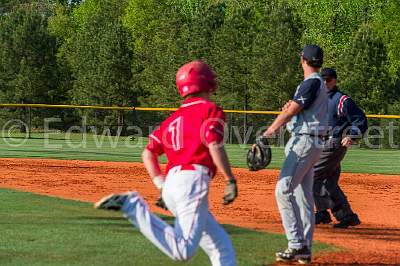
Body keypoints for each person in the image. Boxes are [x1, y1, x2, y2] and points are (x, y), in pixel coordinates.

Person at [94, 60, 238, 266]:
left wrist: (161, 186)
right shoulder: (209, 110)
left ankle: (133, 205)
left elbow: (148, 153)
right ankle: (132, 206)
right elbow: (214, 144)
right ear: (207, 83)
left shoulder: (172, 119)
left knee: (220, 245)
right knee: (183, 250)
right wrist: (229, 179)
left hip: (171, 184)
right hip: (192, 181)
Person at [263, 44, 328, 264]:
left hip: (305, 142)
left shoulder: (311, 82)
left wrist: (270, 131)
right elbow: (296, 110)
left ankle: (296, 244)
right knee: (304, 198)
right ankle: (305, 249)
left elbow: (292, 110)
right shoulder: (317, 83)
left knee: (283, 190)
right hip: (313, 141)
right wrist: (291, 113)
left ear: (303, 59)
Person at [313, 67, 368, 228]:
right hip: (320, 143)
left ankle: (323, 212)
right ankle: (347, 216)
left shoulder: (341, 99)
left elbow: (360, 120)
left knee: (310, 174)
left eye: (328, 79)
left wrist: (352, 135)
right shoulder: (318, 98)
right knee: (329, 182)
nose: (325, 82)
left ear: (335, 80)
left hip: (334, 143)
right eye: (322, 79)